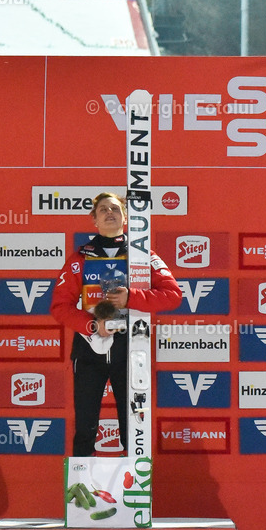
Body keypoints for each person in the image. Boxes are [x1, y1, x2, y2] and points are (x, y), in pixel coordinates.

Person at [51, 192, 182, 456]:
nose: (109, 213)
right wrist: (90, 326)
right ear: (94, 219)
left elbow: (173, 295)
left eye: (115, 209)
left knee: (133, 426)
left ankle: (133, 489)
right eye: (102, 210)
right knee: (85, 426)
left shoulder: (143, 256)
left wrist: (130, 297)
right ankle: (81, 491)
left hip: (131, 348)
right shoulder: (80, 258)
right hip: (89, 348)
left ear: (124, 217)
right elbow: (60, 307)